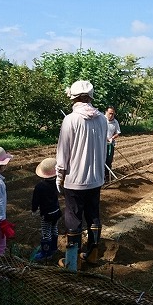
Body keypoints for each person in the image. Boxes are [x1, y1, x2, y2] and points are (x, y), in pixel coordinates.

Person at [56, 80, 107, 271]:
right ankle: (92, 254)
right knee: (93, 215)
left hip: (75, 180)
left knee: (73, 217)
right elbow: (103, 148)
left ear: (74, 97)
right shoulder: (101, 119)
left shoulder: (71, 119)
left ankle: (72, 260)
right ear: (90, 97)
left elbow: (63, 152)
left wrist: (59, 175)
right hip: (96, 178)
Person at [31, 157, 61, 261]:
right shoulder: (57, 183)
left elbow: (36, 200)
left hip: (47, 213)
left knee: (45, 232)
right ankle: (53, 248)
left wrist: (34, 209)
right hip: (57, 211)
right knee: (54, 228)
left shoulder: (40, 186)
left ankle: (45, 253)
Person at [104, 106, 121, 178]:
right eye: (110, 113)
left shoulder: (115, 122)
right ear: (106, 112)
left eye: (113, 114)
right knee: (101, 160)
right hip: (101, 144)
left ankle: (107, 176)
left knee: (109, 160)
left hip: (110, 144)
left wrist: (112, 138)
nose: (111, 115)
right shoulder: (101, 120)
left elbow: (118, 132)